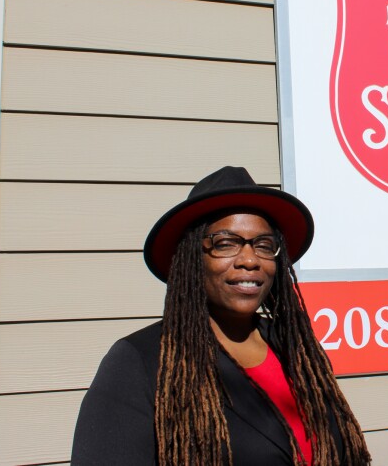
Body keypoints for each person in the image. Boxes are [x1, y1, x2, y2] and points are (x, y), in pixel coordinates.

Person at [72, 166, 371, 465]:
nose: (250, 259)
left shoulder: (295, 350)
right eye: (225, 243)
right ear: (192, 258)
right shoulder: (140, 361)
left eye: (264, 245)